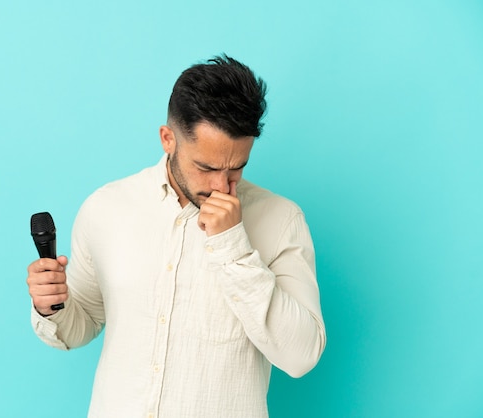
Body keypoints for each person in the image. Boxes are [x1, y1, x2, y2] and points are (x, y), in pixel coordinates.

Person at [26, 54, 326, 418]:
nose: (222, 187)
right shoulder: (106, 208)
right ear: (168, 139)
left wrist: (232, 245)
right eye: (206, 167)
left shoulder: (281, 220)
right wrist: (51, 305)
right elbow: (81, 325)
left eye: (237, 168)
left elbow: (301, 355)